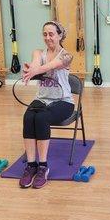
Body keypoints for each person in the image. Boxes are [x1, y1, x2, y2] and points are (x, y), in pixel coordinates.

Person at [19, 21, 75, 189]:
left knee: (42, 118)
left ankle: (43, 166)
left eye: (51, 34)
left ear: (59, 36)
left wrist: (35, 71)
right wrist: (31, 70)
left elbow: (51, 66)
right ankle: (31, 165)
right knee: (29, 116)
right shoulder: (38, 52)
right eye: (45, 34)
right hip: (42, 98)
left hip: (63, 101)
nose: (48, 37)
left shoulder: (66, 56)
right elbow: (37, 63)